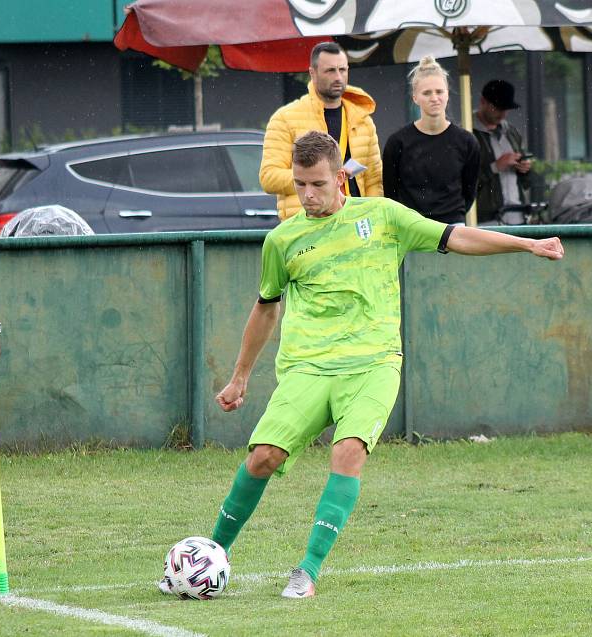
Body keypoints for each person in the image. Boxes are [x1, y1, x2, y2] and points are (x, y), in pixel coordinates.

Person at [160, 131, 563, 599]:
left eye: (317, 184)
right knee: (263, 457)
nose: (307, 195)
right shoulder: (282, 240)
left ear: (341, 181)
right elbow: (266, 306)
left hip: (372, 363)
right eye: (299, 185)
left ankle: (306, 571)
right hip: (307, 368)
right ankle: (211, 558)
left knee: (347, 451)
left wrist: (526, 245)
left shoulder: (383, 217)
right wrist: (240, 376)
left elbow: (455, 236)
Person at [259, 41, 382, 221]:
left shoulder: (363, 121)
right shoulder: (285, 118)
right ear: (312, 73)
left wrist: (372, 218)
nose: (338, 77)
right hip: (306, 225)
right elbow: (269, 178)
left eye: (343, 70)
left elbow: (373, 180)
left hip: (353, 224)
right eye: (330, 70)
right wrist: (317, 180)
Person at [383, 55, 480, 226]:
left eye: (439, 91)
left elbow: (470, 191)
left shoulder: (467, 142)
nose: (434, 98)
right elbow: (391, 192)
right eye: (427, 93)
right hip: (411, 227)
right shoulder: (397, 142)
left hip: (453, 227)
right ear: (415, 97)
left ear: (448, 93)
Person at [472, 79, 533, 225]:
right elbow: (463, 182)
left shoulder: (512, 132)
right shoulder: (467, 132)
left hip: (518, 215)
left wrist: (525, 169)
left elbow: (526, 183)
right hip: (486, 219)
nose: (503, 114)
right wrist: (495, 167)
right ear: (483, 102)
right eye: (497, 108)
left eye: (506, 109)